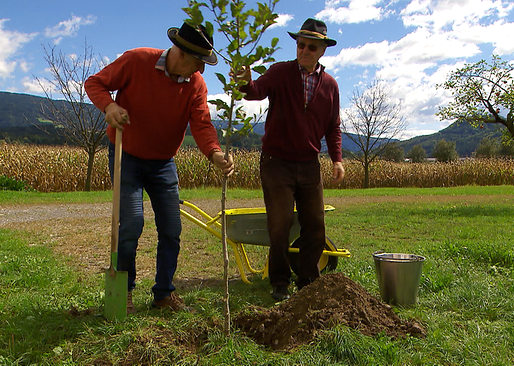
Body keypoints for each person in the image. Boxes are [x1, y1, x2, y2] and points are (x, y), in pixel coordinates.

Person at [85, 22, 234, 314]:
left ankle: (163, 294)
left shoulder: (195, 85)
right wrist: (110, 107)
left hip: (163, 163)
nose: (201, 70)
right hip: (126, 156)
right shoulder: (137, 60)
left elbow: (202, 124)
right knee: (131, 223)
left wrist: (215, 154)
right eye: (198, 62)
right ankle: (124, 292)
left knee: (171, 228)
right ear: (181, 52)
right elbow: (95, 83)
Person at [235, 18, 345, 301]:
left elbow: (333, 126)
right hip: (277, 162)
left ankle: (308, 280)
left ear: (322, 51)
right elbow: (255, 91)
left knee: (315, 227)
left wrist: (337, 159)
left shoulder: (330, 85)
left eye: (311, 46)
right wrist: (245, 81)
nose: (304, 50)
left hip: (309, 164)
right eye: (300, 44)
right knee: (280, 225)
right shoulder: (280, 73)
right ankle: (280, 283)